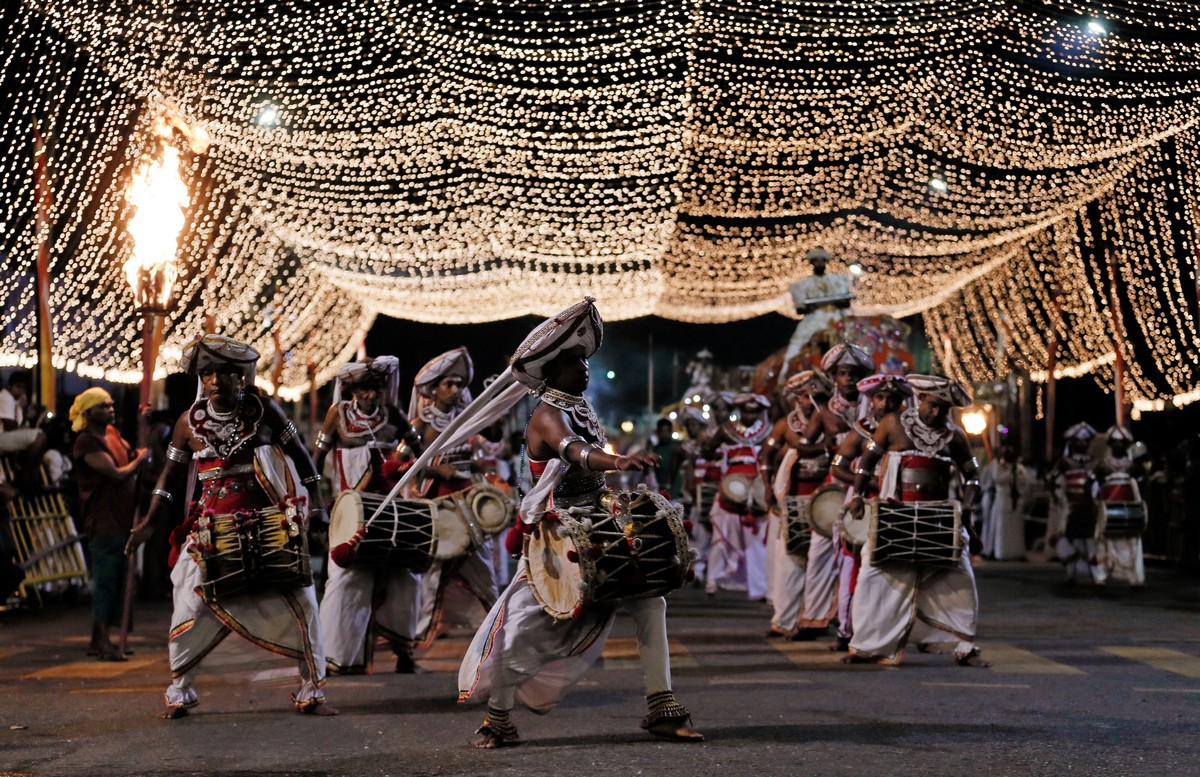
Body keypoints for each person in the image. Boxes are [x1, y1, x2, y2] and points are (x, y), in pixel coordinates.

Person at [458, 298, 702, 747]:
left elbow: (592, 463)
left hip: (598, 527)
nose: (584, 369)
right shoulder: (547, 416)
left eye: (584, 361)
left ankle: (661, 705)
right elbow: (575, 452)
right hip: (554, 539)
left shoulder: (580, 408)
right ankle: (497, 718)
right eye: (572, 364)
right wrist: (619, 458)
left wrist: (619, 486)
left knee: (651, 603)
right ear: (551, 373)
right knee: (523, 631)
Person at [126, 334, 336, 718]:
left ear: (242, 377)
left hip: (266, 527)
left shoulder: (266, 411)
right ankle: (181, 689)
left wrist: (318, 507)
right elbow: (169, 480)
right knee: (188, 604)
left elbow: (304, 461)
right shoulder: (187, 423)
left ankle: (311, 687)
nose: (215, 381)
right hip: (209, 530)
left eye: (224, 373)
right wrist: (148, 523)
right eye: (207, 374)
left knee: (303, 603)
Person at [844, 374, 987, 667]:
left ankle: (965, 647)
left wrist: (968, 510)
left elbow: (972, 477)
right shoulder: (892, 425)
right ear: (920, 399)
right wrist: (857, 495)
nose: (937, 413)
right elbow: (866, 463)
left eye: (944, 409)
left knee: (962, 578)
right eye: (933, 405)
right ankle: (868, 647)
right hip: (894, 515)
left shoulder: (955, 437)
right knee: (874, 577)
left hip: (938, 521)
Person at [314, 355, 426, 674]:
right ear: (351, 390)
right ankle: (338, 657)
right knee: (345, 579)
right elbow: (316, 461)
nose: (370, 395)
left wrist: (405, 468)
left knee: (404, 578)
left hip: (390, 510)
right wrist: (318, 504)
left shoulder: (393, 415)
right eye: (364, 388)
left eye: (376, 387)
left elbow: (417, 451)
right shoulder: (337, 415)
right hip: (349, 511)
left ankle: (404, 653)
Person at [410, 347, 501, 646]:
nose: (455, 390)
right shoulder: (420, 423)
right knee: (435, 571)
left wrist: (494, 406)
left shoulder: (468, 416)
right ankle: (422, 632)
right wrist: (439, 472)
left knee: (483, 566)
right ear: (433, 389)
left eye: (459, 384)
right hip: (439, 503)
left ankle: (499, 627)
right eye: (449, 384)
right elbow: (401, 465)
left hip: (470, 502)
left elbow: (495, 435)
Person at [793, 342, 873, 640]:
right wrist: (824, 447)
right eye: (842, 373)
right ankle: (812, 618)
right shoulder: (824, 412)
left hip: (868, 487)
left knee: (857, 555)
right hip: (835, 486)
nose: (848, 379)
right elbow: (802, 446)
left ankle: (851, 622)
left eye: (854, 373)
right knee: (819, 553)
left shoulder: (875, 407)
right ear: (834, 377)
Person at [827, 372, 911, 651]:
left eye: (892, 398)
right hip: (863, 503)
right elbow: (837, 468)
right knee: (854, 567)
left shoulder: (907, 429)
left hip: (895, 504)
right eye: (880, 397)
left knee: (895, 569)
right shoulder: (860, 431)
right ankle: (847, 629)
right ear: (871, 400)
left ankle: (888, 630)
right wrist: (870, 484)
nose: (885, 403)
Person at [69, 388, 150, 660]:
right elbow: (116, 474)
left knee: (118, 581)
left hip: (122, 518)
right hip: (104, 522)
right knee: (106, 582)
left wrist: (144, 425)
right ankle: (103, 642)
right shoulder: (86, 442)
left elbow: (134, 453)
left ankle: (98, 640)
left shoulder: (112, 435)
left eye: (112, 405)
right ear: (89, 413)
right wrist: (139, 460)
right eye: (104, 406)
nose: (111, 409)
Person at [760, 370, 832, 638]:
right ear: (795, 399)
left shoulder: (833, 422)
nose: (809, 400)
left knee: (823, 563)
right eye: (804, 396)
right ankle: (784, 620)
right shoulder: (784, 426)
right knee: (788, 560)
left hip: (825, 502)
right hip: (790, 500)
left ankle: (819, 619)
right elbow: (766, 457)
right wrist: (768, 487)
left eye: (815, 395)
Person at [703, 392, 772, 600]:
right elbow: (707, 451)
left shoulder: (767, 431)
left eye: (754, 411)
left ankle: (760, 588)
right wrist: (713, 453)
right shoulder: (726, 431)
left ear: (760, 412)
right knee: (722, 536)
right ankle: (713, 581)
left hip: (758, 491)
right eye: (746, 411)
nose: (750, 415)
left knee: (757, 541)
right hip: (730, 492)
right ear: (739, 411)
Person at [1046, 423, 1101, 584]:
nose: (1082, 444)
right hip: (1071, 508)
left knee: (1091, 541)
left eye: (1085, 441)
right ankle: (1071, 574)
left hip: (1090, 508)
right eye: (1079, 441)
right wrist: (1057, 499)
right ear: (1073, 442)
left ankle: (1098, 577)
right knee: (1069, 539)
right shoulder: (1066, 462)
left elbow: (1101, 482)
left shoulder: (1095, 462)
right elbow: (1051, 479)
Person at [1094, 426, 1145, 587]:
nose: (1118, 445)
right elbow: (1096, 486)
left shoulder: (1134, 466)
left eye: (1121, 442)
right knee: (1104, 541)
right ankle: (1100, 577)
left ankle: (1135, 578)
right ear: (1110, 444)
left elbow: (1141, 487)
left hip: (1129, 510)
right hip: (1108, 509)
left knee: (1132, 542)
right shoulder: (1102, 465)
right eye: (1114, 442)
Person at [979, 444, 1031, 561]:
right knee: (999, 527)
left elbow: (1026, 483)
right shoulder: (996, 467)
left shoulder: (1019, 468)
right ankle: (997, 551)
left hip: (1015, 501)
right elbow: (997, 479)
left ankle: (1016, 552)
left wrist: (1020, 493)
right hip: (1001, 500)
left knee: (1015, 530)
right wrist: (1009, 473)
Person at [0, 371, 49, 489]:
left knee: (40, 437)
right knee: (39, 437)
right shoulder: (5, 397)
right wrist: (22, 409)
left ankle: (30, 477)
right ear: (10, 386)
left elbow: (20, 426)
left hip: (7, 436)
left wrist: (25, 413)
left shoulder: (16, 401)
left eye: (24, 389)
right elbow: (10, 427)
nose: (21, 391)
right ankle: (23, 476)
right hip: (2, 436)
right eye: (18, 387)